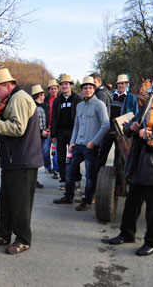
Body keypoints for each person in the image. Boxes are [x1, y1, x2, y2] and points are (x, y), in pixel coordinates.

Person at [105, 74, 153, 256]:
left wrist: (148, 137)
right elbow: (131, 123)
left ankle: (152, 242)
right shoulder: (147, 107)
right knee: (131, 204)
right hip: (138, 164)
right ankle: (126, 234)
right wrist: (131, 127)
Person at [0, 68, 43, 255]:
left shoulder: (20, 98)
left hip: (23, 160)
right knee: (6, 201)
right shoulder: (11, 99)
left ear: (9, 85)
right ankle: (2, 234)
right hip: (12, 161)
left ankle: (23, 239)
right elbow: (10, 129)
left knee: (21, 204)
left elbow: (18, 128)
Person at [53, 76, 109, 210]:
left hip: (90, 146)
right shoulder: (79, 106)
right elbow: (77, 126)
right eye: (85, 88)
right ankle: (68, 196)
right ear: (82, 90)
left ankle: (87, 201)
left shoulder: (99, 105)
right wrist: (72, 142)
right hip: (78, 145)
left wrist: (94, 142)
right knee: (70, 171)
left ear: (94, 89)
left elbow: (106, 125)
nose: (88, 90)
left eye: (90, 87)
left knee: (90, 174)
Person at [98, 74, 139, 170]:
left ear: (127, 84)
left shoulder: (131, 98)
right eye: (119, 84)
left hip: (121, 130)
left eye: (122, 84)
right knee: (102, 153)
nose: (120, 85)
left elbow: (135, 114)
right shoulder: (111, 96)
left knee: (119, 155)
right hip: (108, 129)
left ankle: (117, 179)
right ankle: (98, 175)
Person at [51, 74, 83, 190]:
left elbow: (80, 116)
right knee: (60, 157)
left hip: (73, 132)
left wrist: (80, 132)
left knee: (74, 157)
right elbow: (53, 117)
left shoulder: (77, 98)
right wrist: (53, 134)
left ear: (71, 85)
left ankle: (76, 179)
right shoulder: (57, 101)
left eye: (66, 84)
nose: (64, 86)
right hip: (60, 132)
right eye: (62, 84)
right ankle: (64, 180)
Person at [41, 79, 59, 179]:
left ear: (57, 89)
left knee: (55, 150)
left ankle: (56, 169)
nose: (53, 90)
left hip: (56, 129)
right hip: (46, 128)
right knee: (45, 150)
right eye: (51, 89)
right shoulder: (45, 101)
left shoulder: (60, 100)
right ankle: (47, 166)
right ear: (49, 90)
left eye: (55, 88)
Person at [32, 84, 48, 188]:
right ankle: (32, 181)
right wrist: (41, 131)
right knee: (34, 159)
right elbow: (32, 124)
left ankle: (34, 180)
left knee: (37, 158)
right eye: (43, 94)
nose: (44, 96)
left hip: (41, 136)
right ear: (39, 95)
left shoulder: (40, 106)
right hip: (36, 137)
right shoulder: (33, 108)